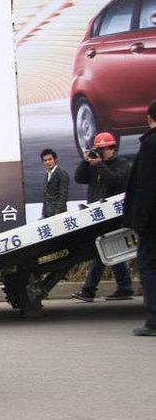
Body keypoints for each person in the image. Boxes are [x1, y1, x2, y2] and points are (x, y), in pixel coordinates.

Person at [72, 132, 133, 302]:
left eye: (104, 149)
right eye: (99, 149)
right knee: (109, 250)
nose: (101, 152)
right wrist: (86, 161)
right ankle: (125, 287)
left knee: (102, 250)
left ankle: (89, 289)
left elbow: (116, 181)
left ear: (113, 148)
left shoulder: (122, 164)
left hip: (113, 217)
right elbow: (79, 178)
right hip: (96, 215)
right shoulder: (94, 164)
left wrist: (99, 165)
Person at [122, 101, 156, 336]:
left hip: (152, 223)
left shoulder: (151, 144)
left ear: (149, 118)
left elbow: (146, 187)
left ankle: (153, 321)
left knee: (150, 266)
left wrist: (139, 222)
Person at [40, 148, 69, 218]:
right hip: (48, 214)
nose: (47, 162)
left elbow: (63, 195)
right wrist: (43, 215)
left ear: (55, 160)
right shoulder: (47, 174)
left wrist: (58, 214)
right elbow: (46, 197)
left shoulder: (62, 173)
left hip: (58, 214)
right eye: (45, 160)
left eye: (50, 159)